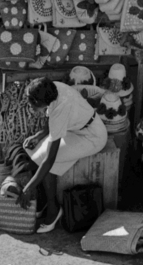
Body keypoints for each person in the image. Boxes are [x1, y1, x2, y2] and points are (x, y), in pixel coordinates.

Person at [11, 77, 107, 215]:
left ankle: (53, 210)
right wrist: (39, 135)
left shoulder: (60, 109)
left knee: (45, 158)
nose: (31, 108)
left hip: (92, 137)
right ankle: (44, 201)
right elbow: (51, 116)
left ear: (40, 102)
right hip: (76, 129)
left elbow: (49, 159)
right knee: (34, 150)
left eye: (32, 106)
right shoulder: (53, 88)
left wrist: (28, 188)